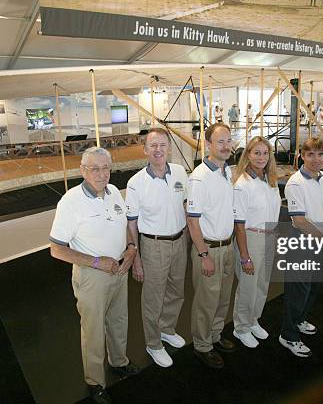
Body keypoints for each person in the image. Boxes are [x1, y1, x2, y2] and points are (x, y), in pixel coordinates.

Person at [49, 147, 139, 404]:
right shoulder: (70, 201)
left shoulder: (113, 194)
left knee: (119, 321)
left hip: (119, 270)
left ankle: (119, 362)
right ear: (83, 171)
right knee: (93, 330)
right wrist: (97, 262)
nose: (102, 175)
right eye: (95, 169)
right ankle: (95, 382)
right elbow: (56, 249)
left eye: (106, 168)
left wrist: (131, 249)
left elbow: (125, 228)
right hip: (92, 277)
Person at [125, 128, 188, 368]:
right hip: (153, 246)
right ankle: (153, 344)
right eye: (153, 146)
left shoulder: (181, 172)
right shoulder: (136, 183)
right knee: (153, 298)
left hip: (179, 241)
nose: (158, 150)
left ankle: (166, 329)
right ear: (145, 150)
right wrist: (136, 259)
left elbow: (185, 205)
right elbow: (131, 223)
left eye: (162, 145)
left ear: (169, 148)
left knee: (177, 291)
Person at [280, 138, 323, 357]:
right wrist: (321, 238)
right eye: (310, 154)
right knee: (297, 290)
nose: (316, 159)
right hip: (303, 241)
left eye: (320, 154)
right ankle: (288, 335)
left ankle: (300, 320)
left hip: (320, 238)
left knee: (312, 286)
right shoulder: (295, 183)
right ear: (302, 156)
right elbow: (300, 221)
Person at [187, 123, 237, 369]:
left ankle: (215, 335)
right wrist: (203, 253)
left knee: (222, 298)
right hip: (208, 249)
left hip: (227, 247)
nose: (227, 145)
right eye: (220, 142)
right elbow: (192, 220)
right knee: (206, 302)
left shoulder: (226, 171)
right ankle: (202, 345)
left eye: (229, 140)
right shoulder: (199, 177)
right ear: (208, 145)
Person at [232, 137, 281, 348]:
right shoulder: (243, 184)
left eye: (265, 153)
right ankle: (240, 327)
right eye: (256, 153)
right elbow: (239, 225)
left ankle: (253, 320)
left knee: (262, 284)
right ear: (248, 155)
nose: (261, 157)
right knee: (248, 286)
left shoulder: (269, 180)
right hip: (251, 238)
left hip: (269, 236)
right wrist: (245, 256)